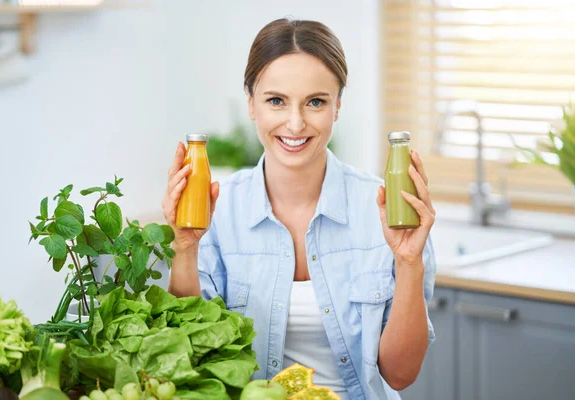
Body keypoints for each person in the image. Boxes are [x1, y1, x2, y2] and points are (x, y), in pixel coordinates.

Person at [162, 18, 436, 400]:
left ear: (337, 106)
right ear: (251, 104)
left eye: (316, 102)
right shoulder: (217, 210)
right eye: (276, 100)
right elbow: (189, 358)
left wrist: (409, 262)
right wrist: (185, 248)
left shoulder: (389, 211)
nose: (295, 123)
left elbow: (401, 375)